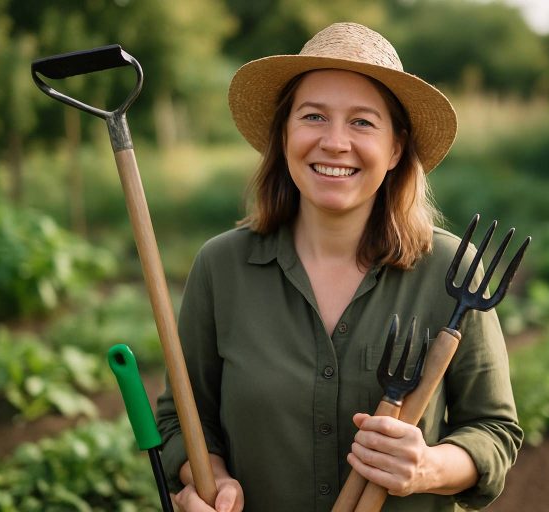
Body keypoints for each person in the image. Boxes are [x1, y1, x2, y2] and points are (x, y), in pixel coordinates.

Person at [156, 22, 521, 512]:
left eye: (362, 122)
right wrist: (209, 478)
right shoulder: (221, 268)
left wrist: (427, 467)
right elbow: (182, 419)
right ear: (284, 135)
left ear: (395, 148)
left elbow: (494, 432)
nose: (334, 142)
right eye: (313, 117)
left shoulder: (449, 272)